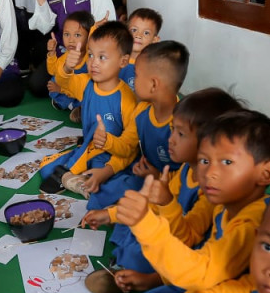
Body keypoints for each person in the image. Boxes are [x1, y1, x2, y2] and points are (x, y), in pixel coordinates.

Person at [115, 110, 270, 293]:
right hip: (215, 288)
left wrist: (145, 224)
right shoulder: (222, 204)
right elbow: (188, 238)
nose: (209, 173)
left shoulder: (255, 222)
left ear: (265, 173)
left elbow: (203, 272)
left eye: (227, 162)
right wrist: (166, 204)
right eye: (204, 161)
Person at [86, 88, 241, 293]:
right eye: (172, 129)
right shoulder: (186, 170)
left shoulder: (212, 192)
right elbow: (152, 206)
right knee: (131, 214)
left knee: (146, 249)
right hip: (170, 228)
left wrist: (167, 202)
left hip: (186, 244)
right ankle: (127, 265)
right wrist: (111, 215)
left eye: (181, 134)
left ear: (209, 144)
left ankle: (147, 278)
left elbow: (188, 238)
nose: (171, 139)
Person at [79, 41, 189, 213]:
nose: (132, 80)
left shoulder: (182, 124)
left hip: (172, 190)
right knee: (111, 188)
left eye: (136, 75)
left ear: (154, 84)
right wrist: (107, 144)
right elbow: (127, 147)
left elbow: (188, 174)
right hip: (144, 173)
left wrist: (157, 177)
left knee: (140, 211)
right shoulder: (142, 110)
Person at [37, 21, 138, 194]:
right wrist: (67, 67)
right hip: (89, 148)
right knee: (46, 166)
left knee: (116, 182)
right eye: (90, 55)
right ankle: (76, 178)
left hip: (113, 155)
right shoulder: (86, 83)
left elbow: (130, 147)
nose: (93, 63)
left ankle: (74, 177)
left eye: (102, 57)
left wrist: (108, 146)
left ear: (123, 61)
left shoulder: (127, 99)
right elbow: (63, 81)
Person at [122, 8, 164, 87]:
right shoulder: (115, 58)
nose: (138, 35)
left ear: (154, 40)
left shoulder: (152, 68)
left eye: (146, 33)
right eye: (134, 30)